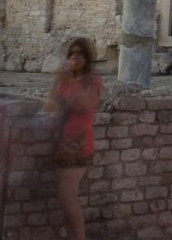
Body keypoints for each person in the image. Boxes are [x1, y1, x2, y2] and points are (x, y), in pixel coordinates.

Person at [45, 36, 102, 240]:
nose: (75, 58)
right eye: (72, 54)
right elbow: (50, 105)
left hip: (79, 143)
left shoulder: (92, 79)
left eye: (80, 54)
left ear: (87, 57)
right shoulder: (65, 79)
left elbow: (85, 104)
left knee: (67, 197)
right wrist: (58, 79)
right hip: (61, 142)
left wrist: (69, 83)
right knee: (65, 200)